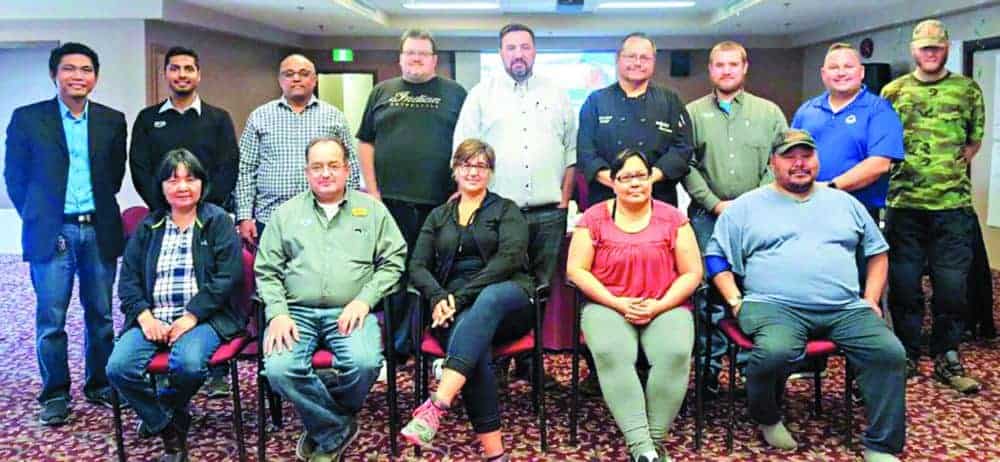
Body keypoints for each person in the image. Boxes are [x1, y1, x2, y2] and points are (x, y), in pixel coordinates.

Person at [704, 129, 906, 462]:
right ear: (772, 163)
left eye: (807, 156)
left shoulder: (845, 203)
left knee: (889, 353)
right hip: (774, 306)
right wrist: (735, 300)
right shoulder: (746, 206)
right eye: (789, 157)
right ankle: (766, 415)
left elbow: (877, 252)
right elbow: (716, 257)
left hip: (844, 307)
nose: (799, 164)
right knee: (775, 352)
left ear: (817, 160)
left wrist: (871, 298)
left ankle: (881, 445)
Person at [256, 137, 406, 462]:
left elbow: (395, 260)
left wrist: (365, 300)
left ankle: (320, 412)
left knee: (365, 364)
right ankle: (335, 428)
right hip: (295, 312)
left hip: (351, 310)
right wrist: (278, 312)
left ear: (347, 169)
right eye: (317, 167)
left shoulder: (373, 211)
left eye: (333, 165)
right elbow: (266, 269)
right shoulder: (286, 214)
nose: (326, 173)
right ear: (307, 172)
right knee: (280, 369)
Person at [4, 42, 127, 425]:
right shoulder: (28, 119)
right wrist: (40, 218)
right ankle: (55, 394)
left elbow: (114, 175)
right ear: (54, 74)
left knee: (101, 315)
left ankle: (100, 384)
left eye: (86, 69)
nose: (78, 76)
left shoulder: (111, 120)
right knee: (52, 319)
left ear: (96, 76)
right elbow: (15, 177)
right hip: (52, 232)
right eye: (70, 68)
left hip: (98, 228)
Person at [452, 22, 575, 387]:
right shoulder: (480, 95)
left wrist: (565, 200)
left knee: (540, 288)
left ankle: (531, 363)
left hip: (548, 211)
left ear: (535, 51)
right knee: (497, 285)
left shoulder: (557, 93)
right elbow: (463, 150)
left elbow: (571, 153)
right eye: (510, 48)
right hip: (497, 214)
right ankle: (497, 358)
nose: (518, 54)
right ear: (500, 53)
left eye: (525, 47)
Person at [401, 139, 535, 462]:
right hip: (452, 309)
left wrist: (456, 298)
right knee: (475, 352)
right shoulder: (438, 216)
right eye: (466, 164)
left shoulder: (506, 210)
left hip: (508, 297)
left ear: (490, 172)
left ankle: (439, 402)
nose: (473, 172)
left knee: (487, 300)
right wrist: (437, 297)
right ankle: (496, 455)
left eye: (481, 166)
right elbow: (417, 266)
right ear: (454, 169)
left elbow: (509, 259)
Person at [107, 149, 244, 462]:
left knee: (189, 364)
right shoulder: (148, 226)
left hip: (204, 319)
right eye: (173, 180)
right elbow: (127, 279)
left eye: (190, 178)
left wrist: (191, 316)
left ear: (201, 183)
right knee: (119, 367)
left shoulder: (217, 221)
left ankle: (166, 408)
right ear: (162, 187)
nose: (182, 187)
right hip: (152, 317)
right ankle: (168, 425)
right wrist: (144, 316)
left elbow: (228, 277)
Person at [566, 149, 701, 462]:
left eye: (641, 175)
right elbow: (576, 270)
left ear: (651, 179)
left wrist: (659, 305)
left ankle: (651, 442)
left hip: (665, 303)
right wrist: (616, 302)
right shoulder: (593, 218)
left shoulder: (674, 217)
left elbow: (693, 272)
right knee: (613, 354)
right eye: (626, 177)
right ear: (613, 183)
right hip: (608, 304)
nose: (634, 183)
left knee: (675, 353)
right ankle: (642, 447)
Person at [881, 19, 985, 393]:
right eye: (924, 47)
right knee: (905, 287)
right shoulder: (893, 91)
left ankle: (948, 355)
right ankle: (907, 353)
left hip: (952, 208)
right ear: (914, 50)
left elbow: (974, 141)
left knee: (952, 288)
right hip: (904, 205)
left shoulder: (966, 90)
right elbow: (883, 144)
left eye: (936, 47)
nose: (930, 53)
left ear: (945, 48)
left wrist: (944, 171)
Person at [683, 40, 788, 397]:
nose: (726, 70)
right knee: (707, 294)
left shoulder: (769, 113)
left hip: (759, 218)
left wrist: (749, 205)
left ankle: (750, 371)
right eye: (719, 65)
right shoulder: (692, 113)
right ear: (710, 70)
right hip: (706, 218)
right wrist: (714, 204)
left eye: (733, 64)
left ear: (745, 68)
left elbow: (779, 164)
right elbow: (687, 165)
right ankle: (708, 373)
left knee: (754, 290)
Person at [356, 28, 467, 356]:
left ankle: (438, 344)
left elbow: (468, 144)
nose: (416, 58)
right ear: (400, 58)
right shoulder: (381, 92)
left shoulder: (456, 93)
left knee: (438, 274)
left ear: (434, 60)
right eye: (410, 53)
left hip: (441, 203)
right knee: (395, 274)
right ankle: (398, 346)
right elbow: (365, 142)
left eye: (422, 53)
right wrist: (372, 191)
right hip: (390, 203)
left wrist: (461, 187)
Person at [235, 54, 362, 245]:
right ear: (280, 80)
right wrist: (244, 216)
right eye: (289, 74)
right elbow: (245, 169)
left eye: (303, 73)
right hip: (270, 217)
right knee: (272, 273)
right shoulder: (260, 117)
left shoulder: (334, 116)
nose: (296, 78)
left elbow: (349, 166)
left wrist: (348, 210)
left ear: (315, 79)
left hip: (324, 217)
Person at [577, 32, 693, 208]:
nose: (637, 63)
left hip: (659, 200)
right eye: (631, 56)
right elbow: (586, 153)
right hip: (606, 201)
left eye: (645, 58)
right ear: (618, 59)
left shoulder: (671, 101)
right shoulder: (596, 101)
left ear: (653, 62)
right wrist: (618, 183)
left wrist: (647, 180)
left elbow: (682, 149)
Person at [792, 42, 904, 221]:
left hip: (858, 211)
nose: (841, 72)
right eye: (834, 67)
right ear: (823, 74)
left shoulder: (879, 110)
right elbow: (790, 157)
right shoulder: (807, 110)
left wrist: (830, 187)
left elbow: (880, 164)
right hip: (807, 209)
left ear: (861, 72)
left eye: (848, 67)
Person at [129, 46, 240, 212]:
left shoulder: (219, 119)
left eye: (189, 69)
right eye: (175, 69)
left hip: (208, 215)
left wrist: (202, 208)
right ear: (165, 74)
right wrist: (163, 206)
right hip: (162, 214)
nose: (182, 74)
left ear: (198, 75)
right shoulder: (147, 118)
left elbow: (228, 169)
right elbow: (140, 169)